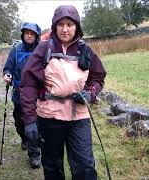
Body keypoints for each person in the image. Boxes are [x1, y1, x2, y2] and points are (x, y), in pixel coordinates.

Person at [20, 5, 106, 180]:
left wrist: (90, 93)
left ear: (77, 27)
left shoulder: (85, 50)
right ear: (55, 26)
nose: (65, 29)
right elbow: (28, 84)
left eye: (70, 24)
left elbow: (98, 76)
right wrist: (29, 121)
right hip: (50, 117)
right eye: (61, 24)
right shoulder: (44, 49)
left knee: (85, 167)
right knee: (52, 167)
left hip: (79, 118)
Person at [3, 22, 42, 169]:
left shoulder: (42, 49)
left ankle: (35, 154)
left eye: (32, 33)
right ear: (23, 34)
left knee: (33, 124)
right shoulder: (16, 50)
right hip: (19, 93)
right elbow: (8, 67)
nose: (29, 35)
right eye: (27, 33)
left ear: (36, 35)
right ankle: (24, 138)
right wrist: (7, 74)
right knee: (20, 122)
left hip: (38, 93)